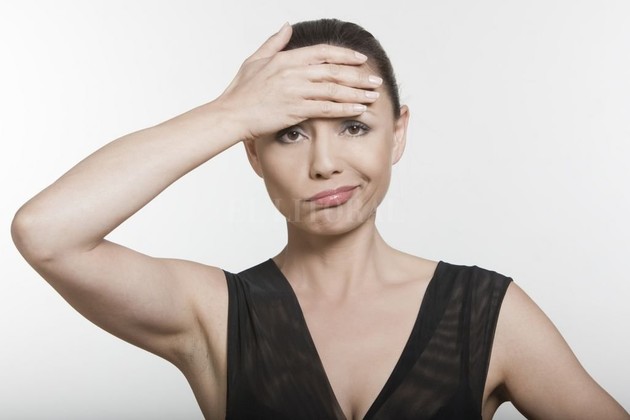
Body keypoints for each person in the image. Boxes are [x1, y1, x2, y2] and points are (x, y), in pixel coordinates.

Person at [11, 18, 628, 420]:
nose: (325, 163)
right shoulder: (215, 313)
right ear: (252, 153)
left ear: (397, 133)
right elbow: (46, 233)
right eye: (289, 132)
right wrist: (230, 112)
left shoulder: (486, 312)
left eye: (354, 127)